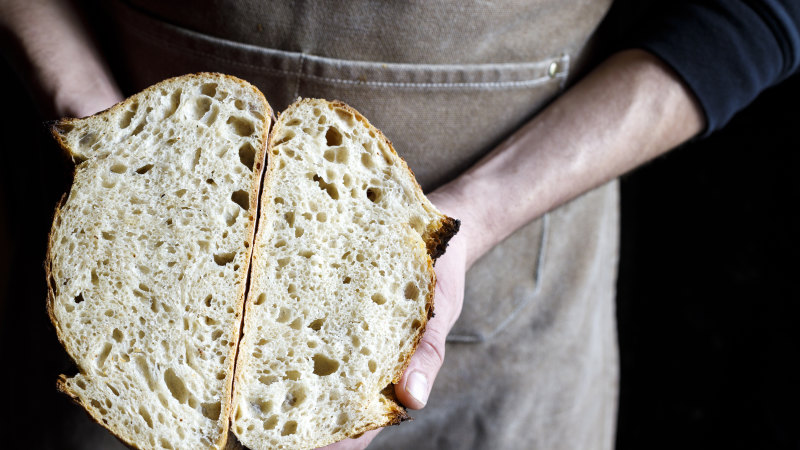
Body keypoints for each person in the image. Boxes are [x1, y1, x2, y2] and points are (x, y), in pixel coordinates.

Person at [0, 1, 798, 449]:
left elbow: (759, 12)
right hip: (134, 309)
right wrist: (93, 116)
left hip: (506, 330)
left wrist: (473, 214)